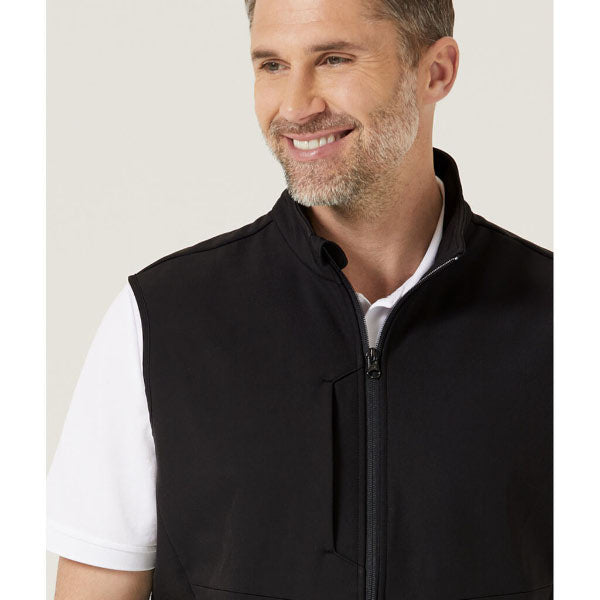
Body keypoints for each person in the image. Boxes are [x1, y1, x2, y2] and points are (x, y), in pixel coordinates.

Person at [47, 0, 553, 598]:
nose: (294, 107)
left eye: (334, 59)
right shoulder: (161, 320)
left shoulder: (562, 318)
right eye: (272, 65)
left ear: (435, 71)